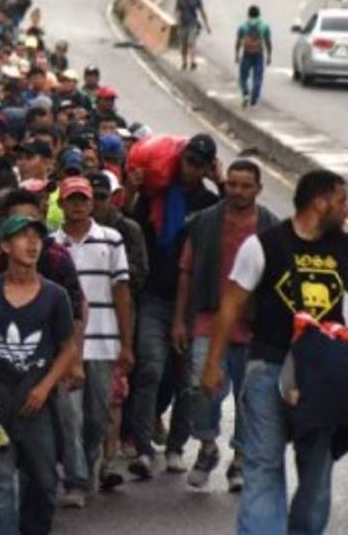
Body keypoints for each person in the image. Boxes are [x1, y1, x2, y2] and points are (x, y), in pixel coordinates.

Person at [202, 170, 348, 534]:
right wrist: (212, 364)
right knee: (263, 464)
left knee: (317, 470)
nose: (347, 210)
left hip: (321, 377)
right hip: (268, 367)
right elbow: (231, 306)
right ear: (320, 203)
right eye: (342, 202)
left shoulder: (346, 247)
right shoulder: (263, 246)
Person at [173, 159, 279, 491]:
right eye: (232, 184)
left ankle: (240, 461)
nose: (238, 191)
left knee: (251, 399)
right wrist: (179, 320)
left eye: (246, 186)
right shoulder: (204, 222)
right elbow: (186, 272)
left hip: (255, 328)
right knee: (201, 390)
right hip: (208, 321)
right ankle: (207, 446)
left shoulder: (272, 229)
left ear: (258, 189)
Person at [125, 134, 221, 480]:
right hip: (154, 297)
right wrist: (133, 189)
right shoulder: (157, 195)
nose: (191, 169)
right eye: (188, 161)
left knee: (186, 381)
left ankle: (176, 447)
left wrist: (222, 183)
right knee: (150, 370)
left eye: (200, 165)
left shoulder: (210, 203)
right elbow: (129, 226)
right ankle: (142, 447)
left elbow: (233, 225)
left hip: (195, 305)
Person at [0, 215, 78, 535]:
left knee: (44, 481)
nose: (32, 243)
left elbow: (68, 348)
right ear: (5, 245)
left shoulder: (55, 296)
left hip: (38, 404)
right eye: (22, 236)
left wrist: (45, 387)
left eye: (37, 237)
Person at [52, 176, 134, 493]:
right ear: (61, 204)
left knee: (98, 416)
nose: (77, 205)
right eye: (71, 199)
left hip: (103, 341)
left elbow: (121, 292)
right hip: (65, 345)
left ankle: (87, 465)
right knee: (70, 417)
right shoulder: (50, 243)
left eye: (82, 199)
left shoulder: (111, 240)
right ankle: (76, 480)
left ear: (91, 203)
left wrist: (126, 344)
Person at [235, 4, 272, 108]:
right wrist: (269, 55)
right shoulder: (264, 26)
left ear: (248, 14)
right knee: (258, 78)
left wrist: (236, 54)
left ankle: (245, 94)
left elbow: (238, 42)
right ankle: (254, 97)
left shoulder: (243, 26)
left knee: (243, 77)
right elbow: (268, 42)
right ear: (259, 14)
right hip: (258, 54)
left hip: (247, 54)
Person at [175, 0, 212, 70]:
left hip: (193, 24)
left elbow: (202, 12)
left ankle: (192, 62)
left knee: (191, 43)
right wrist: (178, 23)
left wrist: (207, 25)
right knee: (183, 45)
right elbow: (177, 11)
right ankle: (184, 62)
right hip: (183, 25)